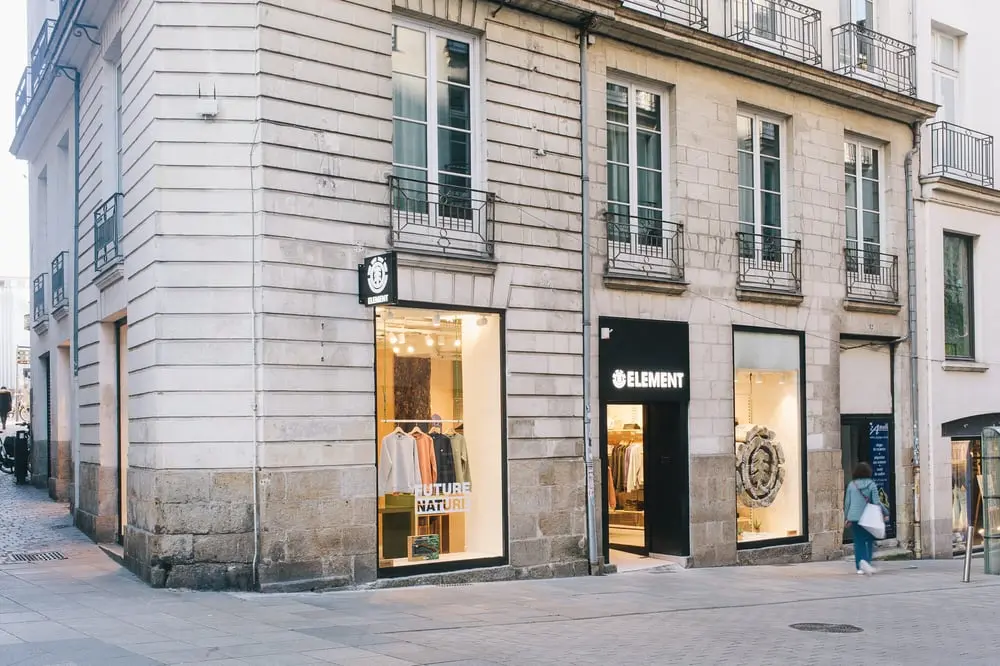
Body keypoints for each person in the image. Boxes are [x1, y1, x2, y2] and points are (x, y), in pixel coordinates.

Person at [845, 462, 889, 576]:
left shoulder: (851, 485)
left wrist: (847, 517)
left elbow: (847, 503)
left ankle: (859, 566)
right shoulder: (871, 484)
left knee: (858, 542)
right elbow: (877, 502)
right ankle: (867, 561)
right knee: (869, 540)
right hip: (868, 517)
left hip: (854, 517)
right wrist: (885, 512)